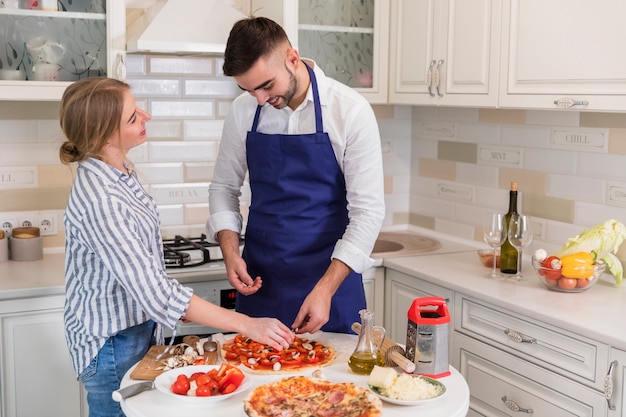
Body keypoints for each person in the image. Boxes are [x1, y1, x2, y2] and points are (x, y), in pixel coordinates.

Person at [59, 77, 294, 417]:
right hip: (112, 345)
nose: (146, 116)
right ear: (104, 136)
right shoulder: (101, 198)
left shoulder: (119, 171)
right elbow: (158, 295)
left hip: (135, 333)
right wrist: (247, 324)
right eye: (132, 117)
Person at [207, 17, 385, 335]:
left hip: (331, 285)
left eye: (266, 85)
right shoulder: (243, 110)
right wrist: (230, 253)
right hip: (261, 285)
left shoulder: (350, 112)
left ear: (292, 58)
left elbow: (368, 214)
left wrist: (325, 290)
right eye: (248, 89)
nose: (260, 99)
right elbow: (224, 187)